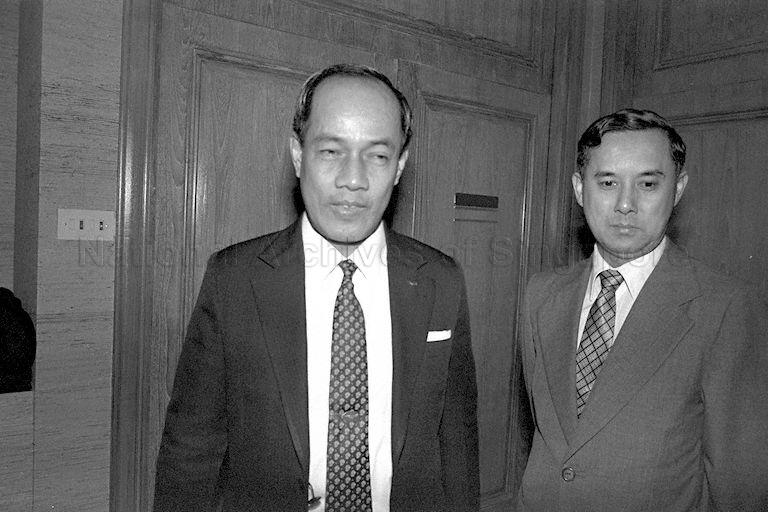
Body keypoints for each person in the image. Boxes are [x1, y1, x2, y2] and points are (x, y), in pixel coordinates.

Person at [153, 64, 479, 512]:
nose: (353, 178)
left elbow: (456, 445)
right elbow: (190, 450)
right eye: (330, 151)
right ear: (297, 153)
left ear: (400, 165)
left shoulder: (441, 280)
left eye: (378, 155)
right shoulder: (234, 279)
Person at [518, 108, 768, 511]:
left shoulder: (725, 307)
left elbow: (740, 483)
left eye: (648, 184)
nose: (625, 204)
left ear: (678, 189)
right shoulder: (541, 296)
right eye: (608, 182)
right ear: (580, 189)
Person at [0, 287, 36, 393]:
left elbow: (17, 356)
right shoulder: (9, 306)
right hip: (15, 384)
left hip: (11, 386)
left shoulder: (5, 310)